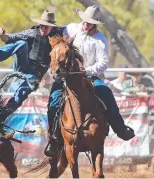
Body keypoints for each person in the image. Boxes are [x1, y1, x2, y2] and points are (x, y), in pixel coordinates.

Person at [44, 5, 135, 157]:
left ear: (95, 23)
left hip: (89, 76)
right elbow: (55, 34)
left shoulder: (101, 40)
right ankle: (54, 139)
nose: (86, 24)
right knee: (53, 101)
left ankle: (120, 128)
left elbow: (103, 63)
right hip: (65, 75)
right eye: (85, 21)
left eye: (89, 22)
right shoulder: (71, 28)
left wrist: (87, 70)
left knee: (106, 92)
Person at [0, 10, 64, 132]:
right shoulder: (32, 32)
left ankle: (1, 115)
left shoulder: (56, 36)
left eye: (46, 26)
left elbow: (72, 31)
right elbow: (12, 37)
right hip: (23, 65)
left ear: (52, 27)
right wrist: (2, 35)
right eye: (42, 25)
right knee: (21, 44)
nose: (44, 28)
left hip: (35, 74)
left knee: (21, 93)